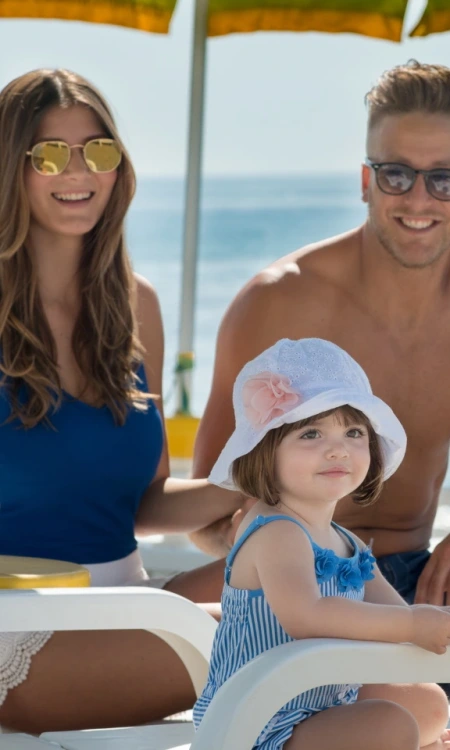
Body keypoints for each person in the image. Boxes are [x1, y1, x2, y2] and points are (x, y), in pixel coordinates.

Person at [0, 68, 242, 733]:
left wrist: (249, 483)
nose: (79, 171)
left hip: (126, 608)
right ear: (9, 171)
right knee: (277, 628)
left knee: (317, 563)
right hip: (16, 633)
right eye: (50, 153)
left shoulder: (138, 308)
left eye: (99, 150)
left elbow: (145, 504)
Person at [192, 59, 450, 609]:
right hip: (285, 576)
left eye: (444, 178)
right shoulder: (278, 300)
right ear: (366, 182)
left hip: (412, 572)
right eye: (397, 174)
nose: (420, 199)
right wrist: (268, 542)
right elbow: (206, 513)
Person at [193, 337, 450, 750]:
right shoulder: (275, 530)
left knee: (429, 702)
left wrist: (434, 622)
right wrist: (415, 625)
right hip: (256, 721)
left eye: (353, 432)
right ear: (265, 452)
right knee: (389, 723)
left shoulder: (344, 541)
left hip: (322, 699)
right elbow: (306, 615)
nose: (337, 449)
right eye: (311, 433)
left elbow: (396, 614)